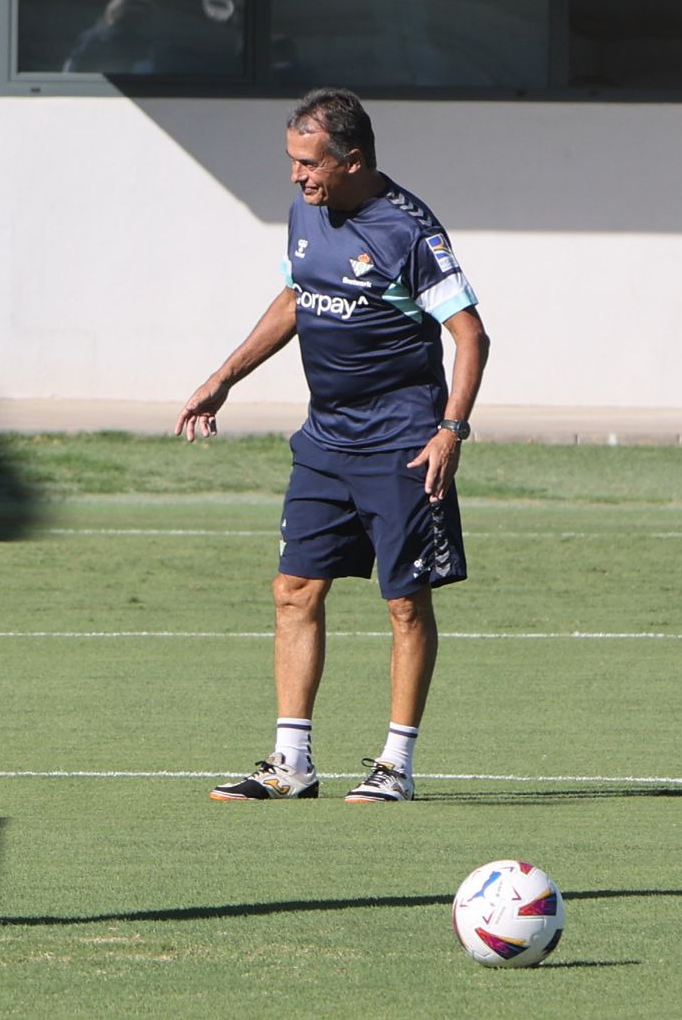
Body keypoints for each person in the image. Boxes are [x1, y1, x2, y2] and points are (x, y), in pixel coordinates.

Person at [176, 87, 490, 804]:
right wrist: (223, 377)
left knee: (405, 603)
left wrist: (451, 430)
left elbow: (471, 336)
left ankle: (395, 766)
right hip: (324, 441)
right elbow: (295, 297)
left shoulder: (408, 231)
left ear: (351, 160)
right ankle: (291, 764)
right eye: (291, 160)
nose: (295, 175)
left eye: (308, 163)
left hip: (403, 445)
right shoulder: (305, 213)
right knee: (293, 590)